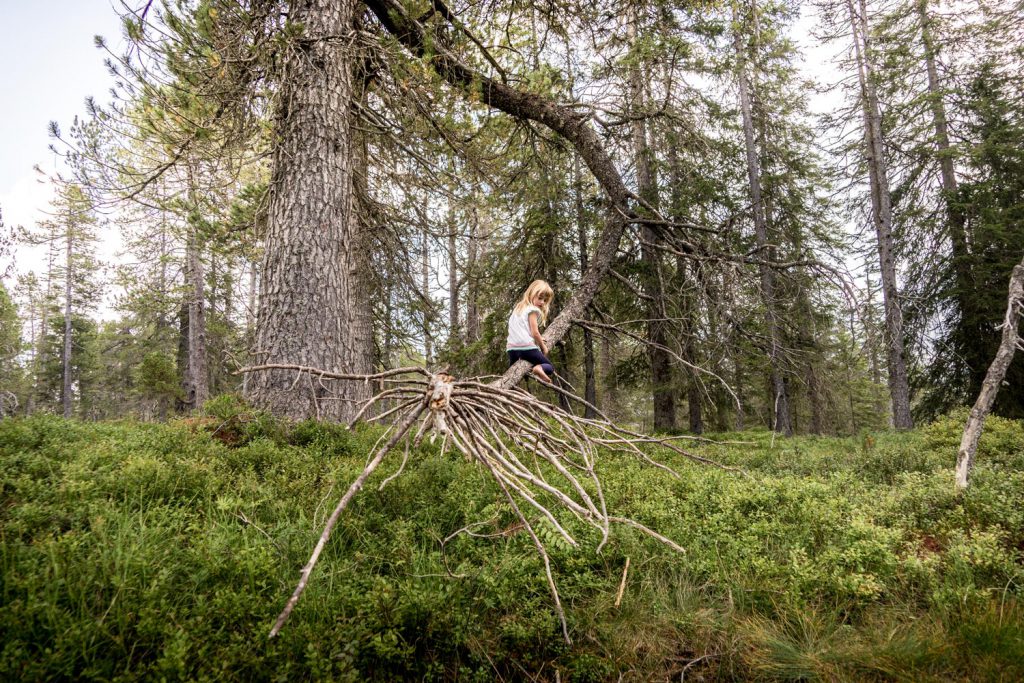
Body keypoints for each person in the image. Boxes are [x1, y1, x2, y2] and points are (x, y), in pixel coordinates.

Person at [506, 279, 555, 383]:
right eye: (540, 298)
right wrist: (543, 347)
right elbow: (535, 332)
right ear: (531, 293)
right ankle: (539, 368)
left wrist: (538, 337)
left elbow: (523, 328)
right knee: (550, 367)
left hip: (511, 349)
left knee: (511, 376)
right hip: (526, 348)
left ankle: (508, 389)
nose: (542, 302)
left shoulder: (518, 308)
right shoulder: (533, 310)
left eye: (545, 300)